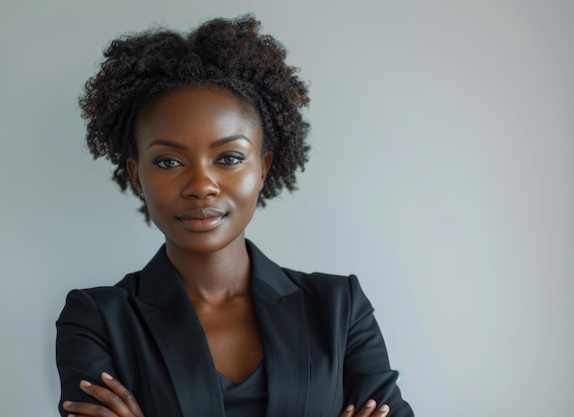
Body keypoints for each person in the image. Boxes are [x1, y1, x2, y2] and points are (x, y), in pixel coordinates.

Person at [56, 15, 414, 417]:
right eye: (169, 161)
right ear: (137, 175)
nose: (201, 185)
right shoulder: (97, 320)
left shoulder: (339, 309)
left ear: (262, 168)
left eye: (228, 157)